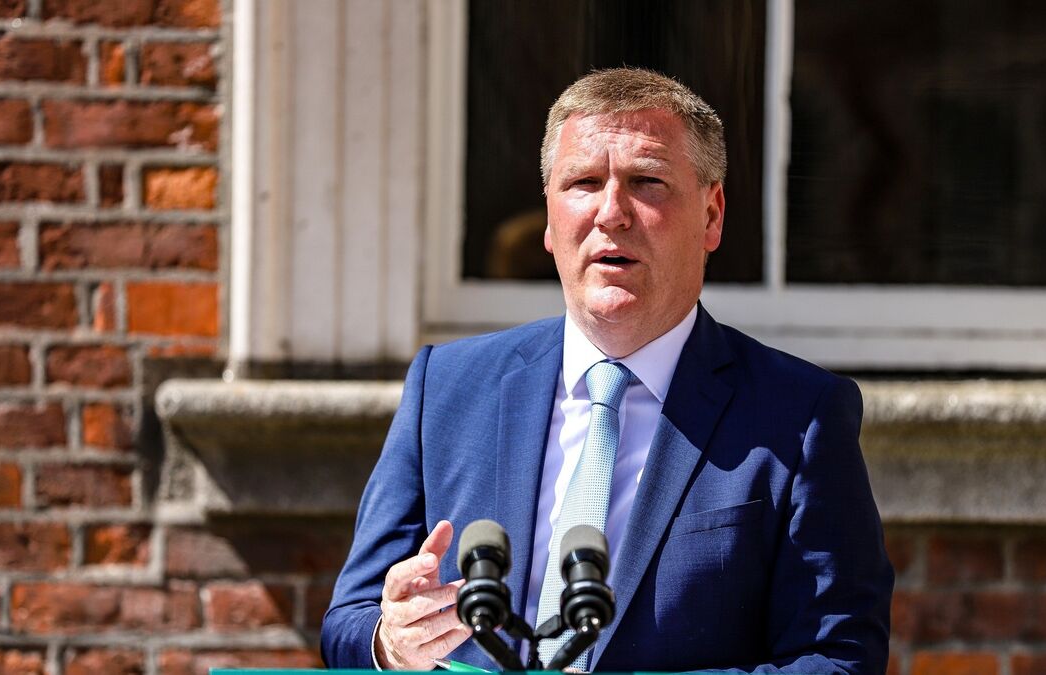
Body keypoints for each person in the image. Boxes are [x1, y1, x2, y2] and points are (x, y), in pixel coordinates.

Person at [322, 68, 893, 673]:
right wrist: (392, 643)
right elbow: (348, 624)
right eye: (583, 183)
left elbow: (840, 659)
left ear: (711, 215)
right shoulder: (447, 386)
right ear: (549, 218)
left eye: (647, 182)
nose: (611, 213)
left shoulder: (799, 414)